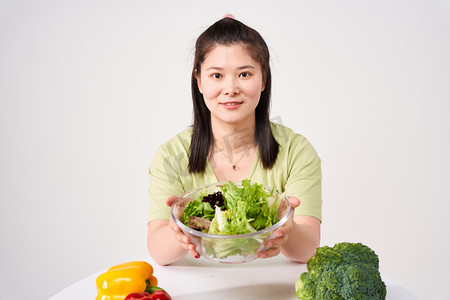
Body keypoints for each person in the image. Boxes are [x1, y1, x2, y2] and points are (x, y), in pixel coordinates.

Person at [147, 15, 322, 266]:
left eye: (244, 74)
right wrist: (179, 231)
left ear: (263, 79)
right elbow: (157, 251)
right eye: (217, 76)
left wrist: (288, 231)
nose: (230, 88)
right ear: (199, 81)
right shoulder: (172, 155)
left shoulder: (296, 151)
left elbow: (309, 249)